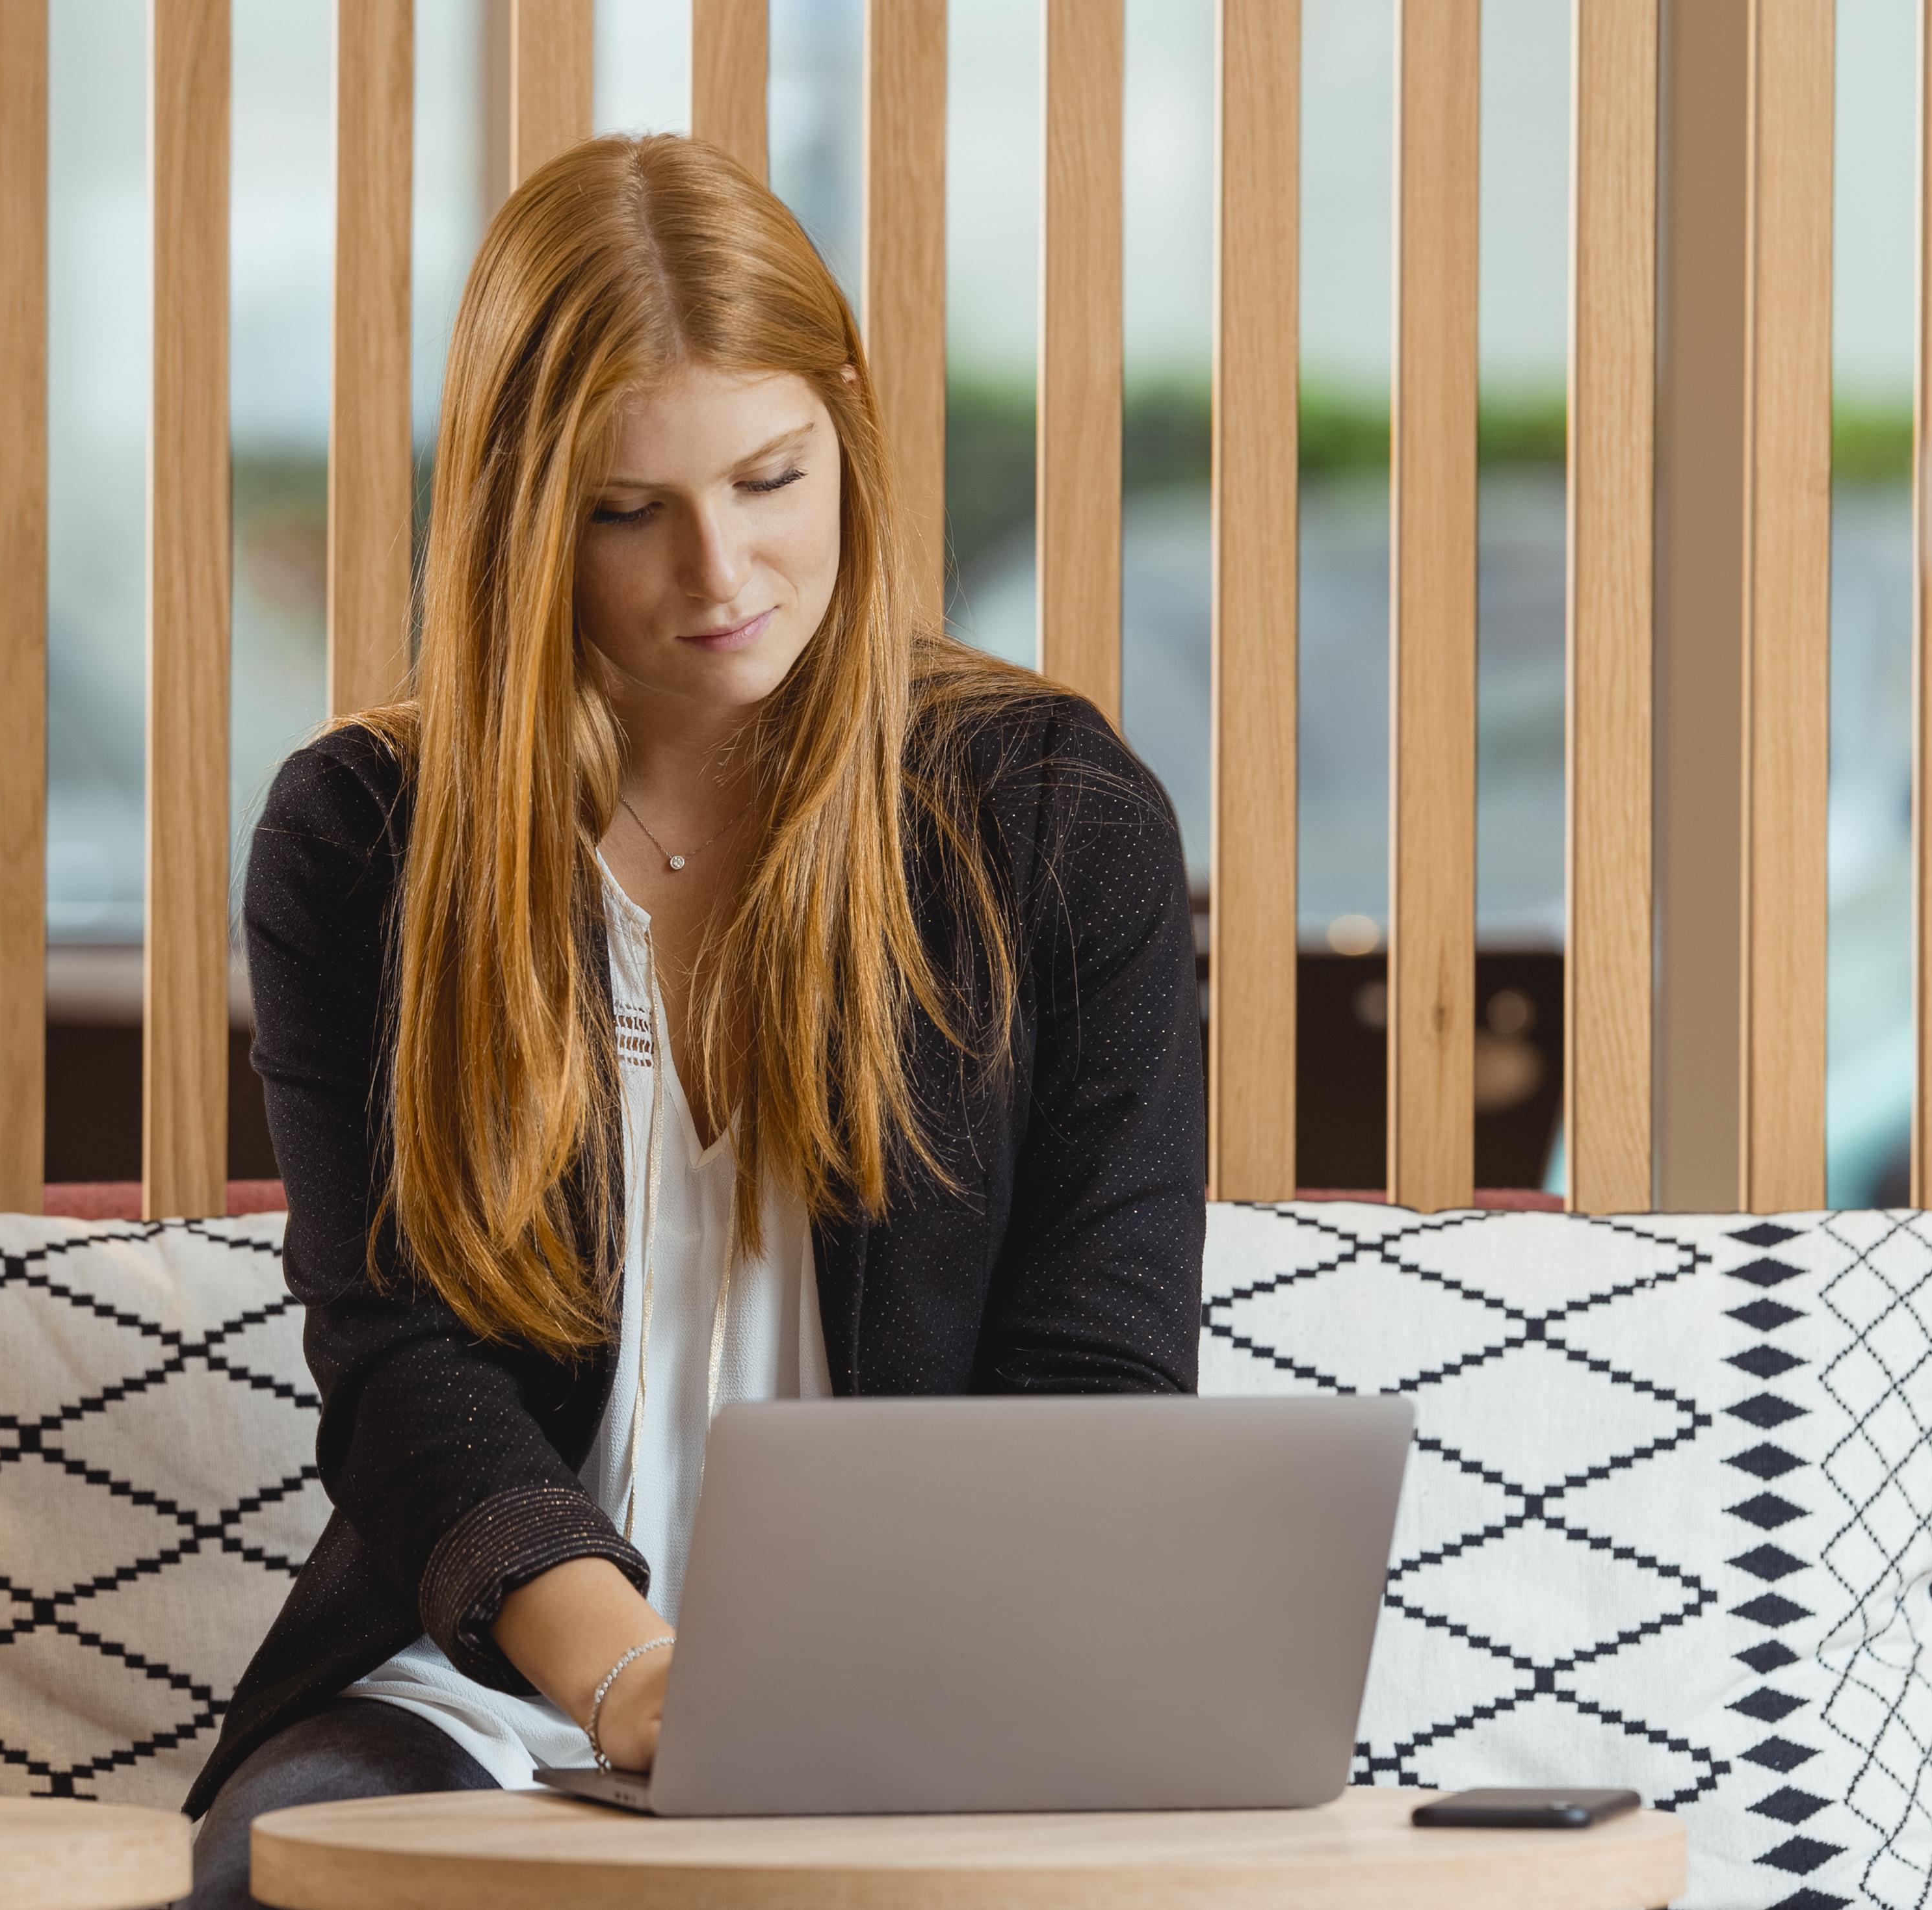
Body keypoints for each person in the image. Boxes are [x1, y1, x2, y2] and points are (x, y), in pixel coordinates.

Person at [183, 132, 1204, 1907]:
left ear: (851, 425)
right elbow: (401, 1372)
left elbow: (1100, 1388)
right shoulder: (360, 839)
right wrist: (637, 1675)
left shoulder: (1058, 825)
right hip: (480, 1694)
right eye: (625, 508)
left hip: (932, 1711)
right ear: (519, 511)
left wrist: (846, 1717)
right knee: (274, 1871)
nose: (721, 570)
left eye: (770, 477)